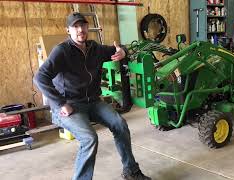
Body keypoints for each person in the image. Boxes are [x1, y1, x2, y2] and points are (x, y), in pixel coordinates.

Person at [34, 12, 151, 180]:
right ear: (68, 30)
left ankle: (131, 171)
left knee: (120, 124)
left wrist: (123, 52)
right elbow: (40, 77)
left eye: (83, 25)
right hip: (70, 105)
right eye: (75, 26)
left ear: (88, 27)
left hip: (93, 102)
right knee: (89, 138)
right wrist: (60, 103)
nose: (80, 29)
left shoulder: (95, 48)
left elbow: (119, 48)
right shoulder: (62, 51)